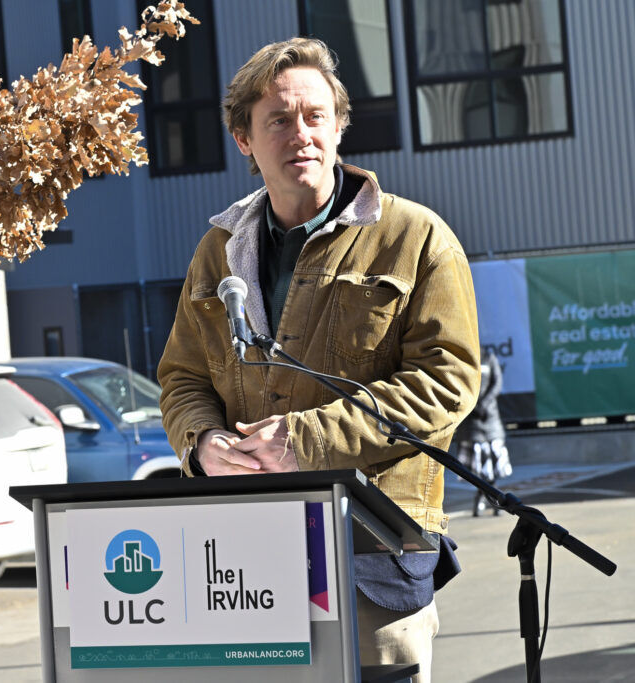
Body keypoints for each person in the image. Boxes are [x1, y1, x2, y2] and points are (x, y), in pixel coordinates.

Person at [157, 37, 481, 683]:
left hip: (373, 556)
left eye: (315, 116)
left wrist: (305, 441)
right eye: (278, 119)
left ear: (338, 127)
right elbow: (183, 378)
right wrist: (202, 443)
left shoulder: (416, 237)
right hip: (249, 562)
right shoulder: (216, 252)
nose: (300, 134)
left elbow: (447, 382)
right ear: (244, 140)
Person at [456, 348, 513, 516]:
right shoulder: (462, 358)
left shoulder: (489, 357)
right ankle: (491, 499)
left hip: (490, 419)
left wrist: (484, 403)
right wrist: (473, 405)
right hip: (471, 421)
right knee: (479, 468)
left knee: (492, 465)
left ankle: (486, 499)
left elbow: (497, 383)